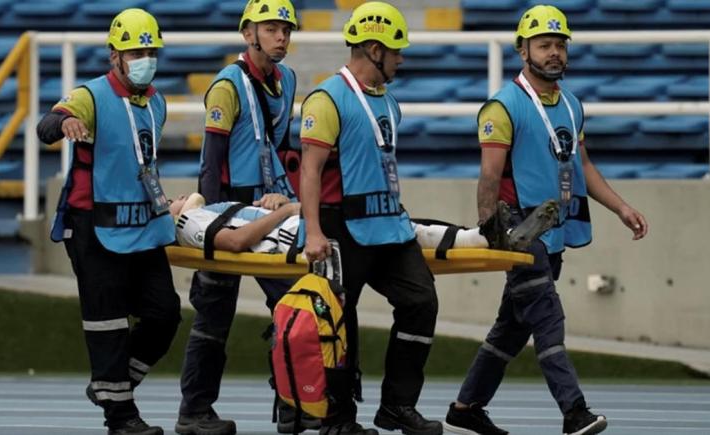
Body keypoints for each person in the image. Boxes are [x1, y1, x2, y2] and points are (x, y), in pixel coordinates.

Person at [443, 5, 649, 435]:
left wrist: (621, 207)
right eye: (544, 45)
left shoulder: (572, 105)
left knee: (511, 329)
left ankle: (466, 407)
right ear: (523, 50)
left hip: (553, 233)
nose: (554, 52)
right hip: (519, 233)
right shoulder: (502, 107)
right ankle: (574, 411)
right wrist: (492, 230)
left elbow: (583, 165)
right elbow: (489, 177)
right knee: (548, 318)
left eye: (560, 44)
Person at [299, 2, 445, 435]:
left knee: (421, 303)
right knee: (341, 322)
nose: (401, 58)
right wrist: (313, 230)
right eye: (396, 50)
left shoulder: (389, 103)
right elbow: (309, 170)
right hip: (341, 226)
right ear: (373, 49)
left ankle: (397, 406)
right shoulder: (327, 98)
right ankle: (339, 419)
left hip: (389, 226)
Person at [36, 9, 179, 435]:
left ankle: (111, 384)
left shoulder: (157, 101)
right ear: (115, 54)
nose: (145, 58)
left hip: (144, 227)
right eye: (137, 51)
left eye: (151, 50)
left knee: (165, 314)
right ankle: (121, 416)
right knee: (108, 322)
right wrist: (67, 122)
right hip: (93, 226)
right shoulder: (90, 96)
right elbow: (46, 126)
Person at [175, 1, 304, 434]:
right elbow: (211, 165)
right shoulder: (226, 87)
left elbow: (287, 153)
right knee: (213, 317)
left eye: (286, 29)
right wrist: (209, 228)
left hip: (268, 212)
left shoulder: (288, 80)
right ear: (249, 33)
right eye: (271, 29)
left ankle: (290, 403)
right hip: (226, 210)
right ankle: (194, 412)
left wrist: (289, 198)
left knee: (295, 305)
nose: (281, 37)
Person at [169, 192, 515, 254]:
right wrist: (287, 212)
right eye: (170, 202)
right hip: (298, 235)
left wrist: (278, 203)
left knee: (394, 221)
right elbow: (234, 243)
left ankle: (483, 237)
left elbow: (251, 224)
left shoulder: (213, 208)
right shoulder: (187, 223)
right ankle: (482, 238)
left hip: (297, 221)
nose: (176, 197)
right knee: (386, 224)